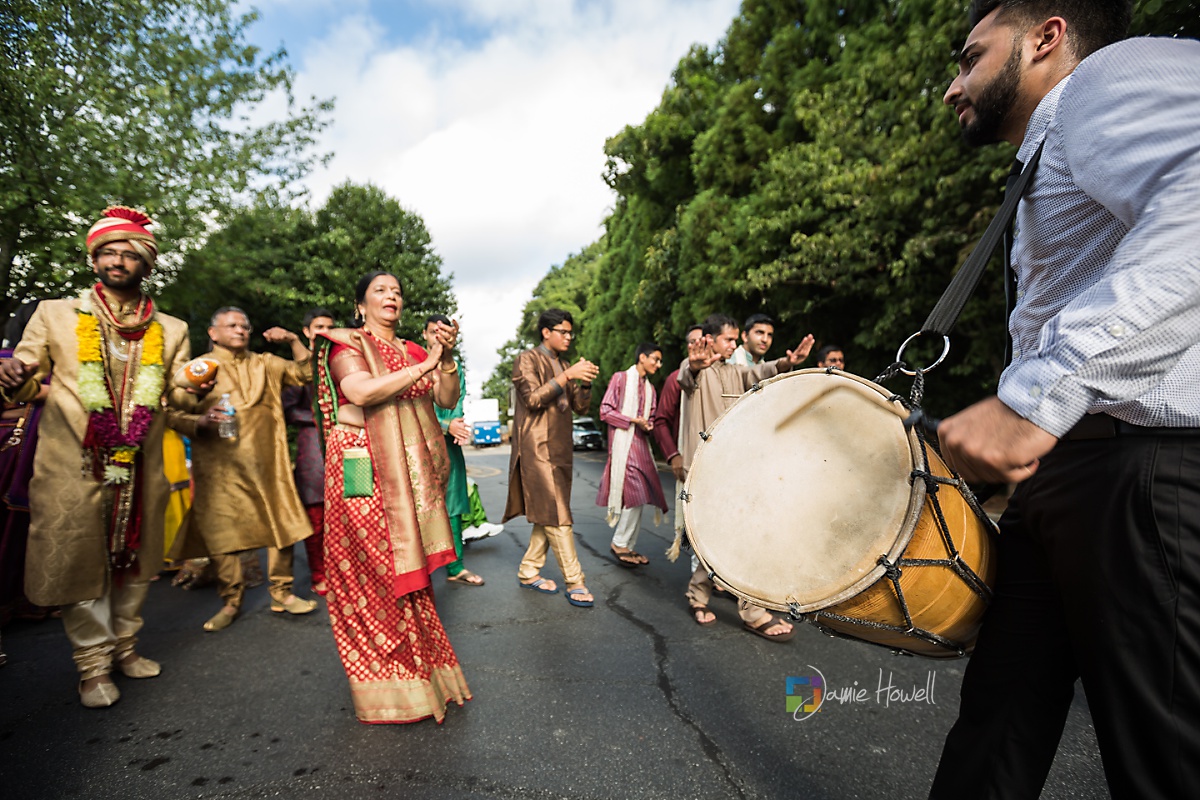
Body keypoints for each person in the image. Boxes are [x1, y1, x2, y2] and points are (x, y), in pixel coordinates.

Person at [929, 3, 1200, 797]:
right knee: (995, 732)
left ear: (1045, 37)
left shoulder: (1106, 79)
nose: (953, 86)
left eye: (970, 57)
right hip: (1073, 477)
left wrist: (1033, 401)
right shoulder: (1055, 139)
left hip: (1143, 475)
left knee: (1167, 763)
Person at [0, 206, 203, 707]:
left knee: (135, 563)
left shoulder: (171, 329)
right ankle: (92, 668)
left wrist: (196, 386)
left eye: (129, 253)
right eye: (108, 251)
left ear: (146, 264)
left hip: (141, 461)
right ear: (94, 259)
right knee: (78, 561)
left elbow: (178, 398)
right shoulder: (55, 313)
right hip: (73, 459)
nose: (118, 260)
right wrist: (13, 375)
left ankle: (127, 648)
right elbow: (26, 378)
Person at [313, 271, 470, 724]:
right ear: (360, 305)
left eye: (398, 292)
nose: (391, 297)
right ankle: (382, 679)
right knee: (376, 568)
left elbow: (445, 396)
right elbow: (359, 391)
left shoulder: (413, 351)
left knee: (410, 566)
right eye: (380, 291)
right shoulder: (350, 345)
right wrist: (425, 365)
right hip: (361, 461)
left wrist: (445, 359)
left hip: (406, 473)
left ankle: (421, 676)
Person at [168, 308, 318, 631]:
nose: (241, 330)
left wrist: (293, 339)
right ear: (213, 333)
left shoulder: (265, 363)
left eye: (245, 325)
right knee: (224, 534)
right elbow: (172, 411)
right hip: (220, 467)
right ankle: (231, 601)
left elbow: (306, 372)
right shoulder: (200, 368)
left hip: (270, 463)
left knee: (282, 525)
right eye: (232, 325)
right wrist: (200, 422)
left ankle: (283, 593)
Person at [675, 314, 814, 638]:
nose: (734, 345)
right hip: (706, 472)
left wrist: (786, 362)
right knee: (734, 540)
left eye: (736, 340)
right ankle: (752, 612)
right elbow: (686, 378)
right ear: (709, 341)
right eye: (729, 340)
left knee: (721, 541)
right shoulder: (696, 368)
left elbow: (758, 372)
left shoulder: (733, 371)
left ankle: (697, 596)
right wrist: (695, 365)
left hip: (732, 469)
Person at [504, 309, 599, 608]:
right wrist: (568, 375)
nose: (569, 337)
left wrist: (584, 384)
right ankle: (575, 580)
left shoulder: (564, 363)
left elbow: (580, 407)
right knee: (558, 514)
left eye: (571, 333)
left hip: (560, 449)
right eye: (563, 331)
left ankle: (528, 570)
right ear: (546, 332)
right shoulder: (527, 359)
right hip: (536, 448)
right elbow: (532, 399)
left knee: (550, 511)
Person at [423, 313, 484, 587]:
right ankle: (416, 568)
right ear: (424, 335)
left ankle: (455, 565)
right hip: (418, 445)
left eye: (444, 331)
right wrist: (447, 425)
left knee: (454, 505)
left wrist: (455, 424)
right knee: (417, 504)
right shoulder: (412, 362)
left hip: (448, 446)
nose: (439, 336)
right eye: (434, 331)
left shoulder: (454, 366)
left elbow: (456, 399)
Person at [596, 342, 668, 567]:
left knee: (641, 496)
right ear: (643, 358)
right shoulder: (620, 379)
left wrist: (648, 425)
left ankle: (627, 544)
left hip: (641, 446)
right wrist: (631, 420)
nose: (658, 364)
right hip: (623, 446)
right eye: (655, 359)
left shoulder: (650, 389)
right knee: (635, 494)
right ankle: (619, 543)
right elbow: (605, 411)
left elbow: (653, 417)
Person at [282, 308, 337, 596]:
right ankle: (319, 573)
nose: (324, 332)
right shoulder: (296, 366)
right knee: (316, 518)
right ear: (307, 332)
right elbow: (289, 410)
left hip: (343, 444)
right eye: (318, 327)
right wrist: (323, 416)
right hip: (311, 449)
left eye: (329, 326)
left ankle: (347, 574)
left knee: (347, 515)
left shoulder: (342, 360)